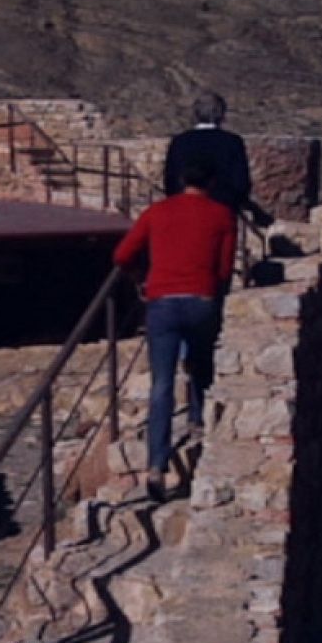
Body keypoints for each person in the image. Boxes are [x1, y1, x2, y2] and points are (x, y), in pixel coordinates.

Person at [113, 158, 236, 502]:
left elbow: (122, 254)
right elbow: (224, 269)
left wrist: (141, 277)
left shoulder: (157, 212)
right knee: (201, 359)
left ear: (181, 180)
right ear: (211, 182)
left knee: (162, 383)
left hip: (162, 301)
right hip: (201, 299)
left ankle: (156, 464)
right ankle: (198, 420)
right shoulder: (221, 215)